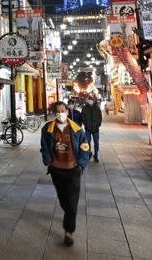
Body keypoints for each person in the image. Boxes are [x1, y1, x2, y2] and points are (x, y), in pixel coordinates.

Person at [40, 101, 90, 246]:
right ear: (55, 113)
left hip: (73, 170)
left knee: (72, 201)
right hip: (57, 170)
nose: (61, 113)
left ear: (67, 112)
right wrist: (48, 161)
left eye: (63, 110)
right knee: (63, 199)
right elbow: (44, 147)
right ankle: (68, 214)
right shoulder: (47, 129)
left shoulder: (76, 129)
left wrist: (81, 164)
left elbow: (84, 147)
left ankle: (69, 231)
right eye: (58, 110)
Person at [80, 97, 103, 162]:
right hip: (87, 129)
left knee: (96, 143)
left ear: (93, 100)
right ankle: (89, 154)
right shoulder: (84, 108)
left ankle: (96, 155)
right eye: (89, 100)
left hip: (96, 129)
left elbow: (100, 118)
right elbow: (82, 117)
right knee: (87, 143)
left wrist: (98, 125)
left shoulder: (97, 108)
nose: (90, 101)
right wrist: (86, 124)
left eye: (91, 100)